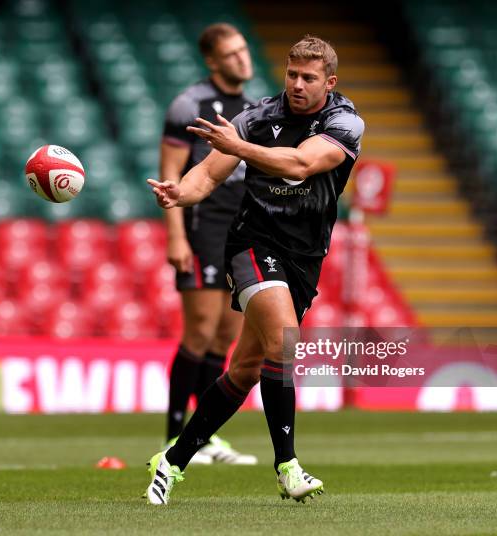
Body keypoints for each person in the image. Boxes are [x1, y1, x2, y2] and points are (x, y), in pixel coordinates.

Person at [146, 35, 364, 504]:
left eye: (309, 78)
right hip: (252, 242)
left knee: (244, 369)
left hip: (305, 257)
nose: (298, 85)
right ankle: (287, 466)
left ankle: (171, 460)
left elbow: (303, 164)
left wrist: (240, 148)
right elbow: (207, 174)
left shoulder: (344, 122)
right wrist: (179, 193)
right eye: (292, 75)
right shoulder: (256, 118)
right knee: (283, 339)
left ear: (329, 82)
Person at [160, 23, 257, 465]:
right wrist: (176, 235)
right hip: (202, 224)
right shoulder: (189, 104)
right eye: (232, 54)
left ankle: (204, 438)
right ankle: (172, 435)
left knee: (224, 334)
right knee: (199, 331)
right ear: (213, 61)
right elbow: (171, 176)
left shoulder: (256, 107)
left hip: (239, 225)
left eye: (243, 50)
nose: (243, 58)